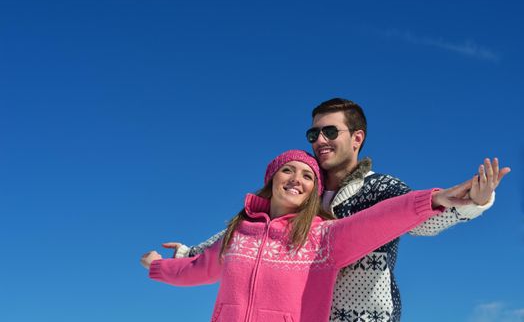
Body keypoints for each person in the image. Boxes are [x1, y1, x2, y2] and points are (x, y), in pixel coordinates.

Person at [163, 98, 511, 322]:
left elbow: (418, 220)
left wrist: (470, 203)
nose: (319, 140)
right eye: (313, 133)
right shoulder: (302, 193)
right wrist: (185, 254)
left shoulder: (379, 188)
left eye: (330, 131)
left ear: (357, 138)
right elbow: (251, 234)